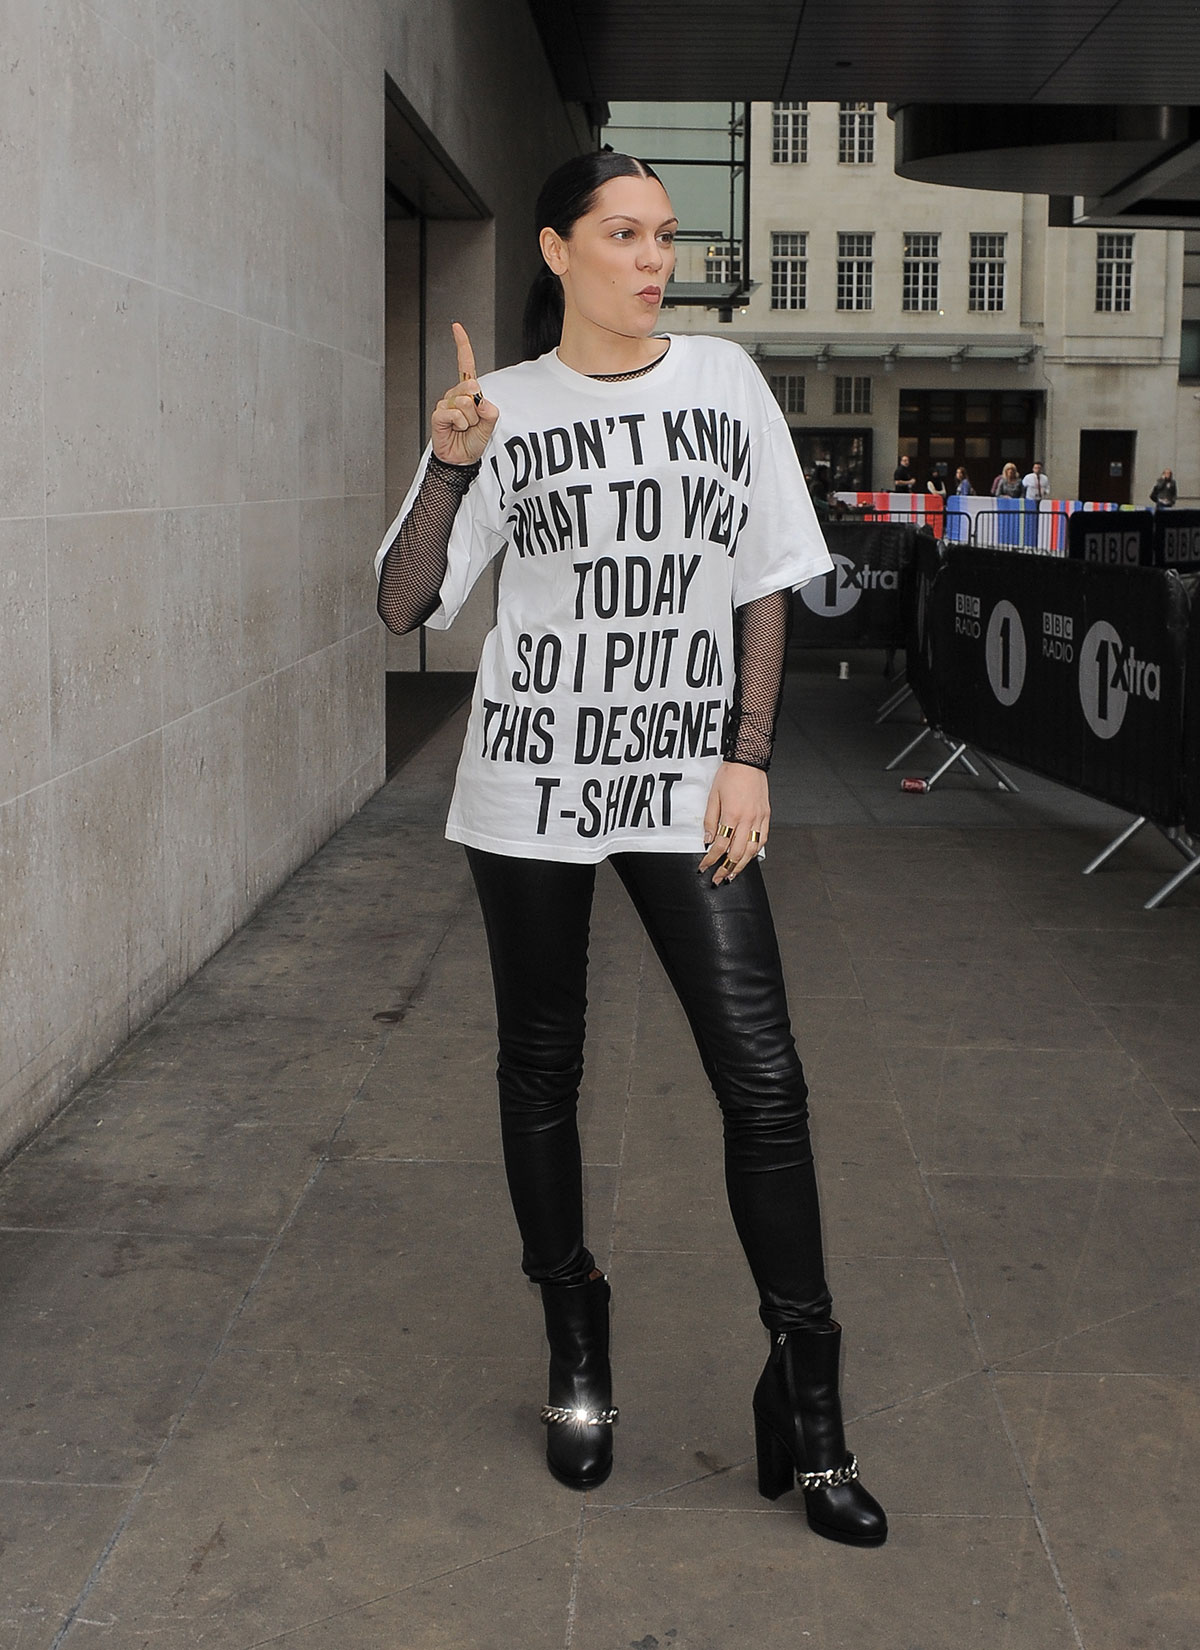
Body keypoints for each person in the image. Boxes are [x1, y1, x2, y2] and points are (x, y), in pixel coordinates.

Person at [374, 152, 886, 1547]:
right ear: (556, 248)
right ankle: (575, 1334)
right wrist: (447, 460)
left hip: (684, 783)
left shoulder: (721, 381)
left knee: (764, 1079)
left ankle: (811, 1389)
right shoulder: (508, 412)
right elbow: (406, 601)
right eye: (624, 233)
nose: (654, 256)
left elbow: (769, 570)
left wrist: (749, 752)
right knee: (541, 1066)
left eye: (664, 233)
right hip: (530, 785)